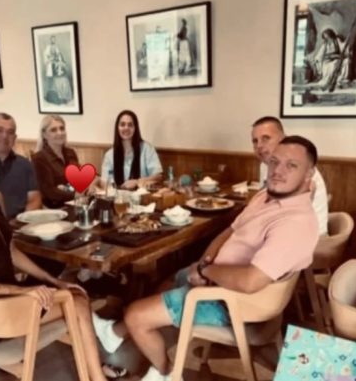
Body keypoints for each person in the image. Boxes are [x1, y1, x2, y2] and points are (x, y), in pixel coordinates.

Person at [99, 136, 319, 381]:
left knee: (135, 315)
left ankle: (165, 373)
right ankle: (115, 333)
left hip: (231, 302)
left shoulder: (295, 223)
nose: (277, 171)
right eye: (274, 162)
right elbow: (230, 231)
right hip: (218, 280)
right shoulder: (266, 196)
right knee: (170, 279)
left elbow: (250, 282)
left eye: (291, 165)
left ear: (309, 173)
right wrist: (203, 264)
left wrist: (205, 272)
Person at [0, 129, 117, 381]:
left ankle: (95, 372)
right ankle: (97, 376)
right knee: (77, 302)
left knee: (75, 293)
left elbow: (10, 251)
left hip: (8, 297)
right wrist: (22, 291)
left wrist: (52, 281)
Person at [251, 116, 328, 235]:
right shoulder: (265, 165)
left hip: (310, 238)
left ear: (283, 139)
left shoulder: (301, 170)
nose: (259, 146)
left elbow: (288, 218)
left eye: (266, 138)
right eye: (255, 141)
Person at [0, 112, 42, 219]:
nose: (5, 136)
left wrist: (21, 221)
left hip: (20, 223)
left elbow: (35, 200)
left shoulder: (25, 164)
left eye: (10, 132)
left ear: (15, 138)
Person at [100, 110, 163, 190]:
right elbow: (104, 181)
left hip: (142, 196)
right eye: (122, 124)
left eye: (130, 125)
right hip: (117, 196)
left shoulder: (147, 149)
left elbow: (158, 176)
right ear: (117, 128)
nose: (126, 128)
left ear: (135, 128)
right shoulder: (109, 155)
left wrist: (137, 182)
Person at [32, 115, 80, 208]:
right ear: (44, 135)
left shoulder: (71, 153)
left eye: (62, 128)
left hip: (75, 204)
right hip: (53, 209)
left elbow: (77, 180)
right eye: (53, 130)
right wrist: (75, 194)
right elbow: (49, 192)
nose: (60, 133)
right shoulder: (39, 158)